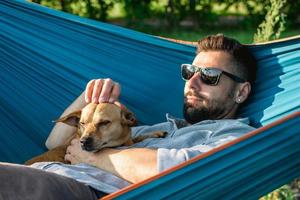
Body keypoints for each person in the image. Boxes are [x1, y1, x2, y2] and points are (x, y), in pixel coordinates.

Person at [0, 34, 257, 199]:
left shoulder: (234, 137)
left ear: (241, 92)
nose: (193, 83)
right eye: (190, 72)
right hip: (44, 172)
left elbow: (178, 171)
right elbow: (54, 144)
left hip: (80, 190)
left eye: (209, 76)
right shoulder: (153, 130)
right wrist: (93, 97)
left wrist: (92, 155)